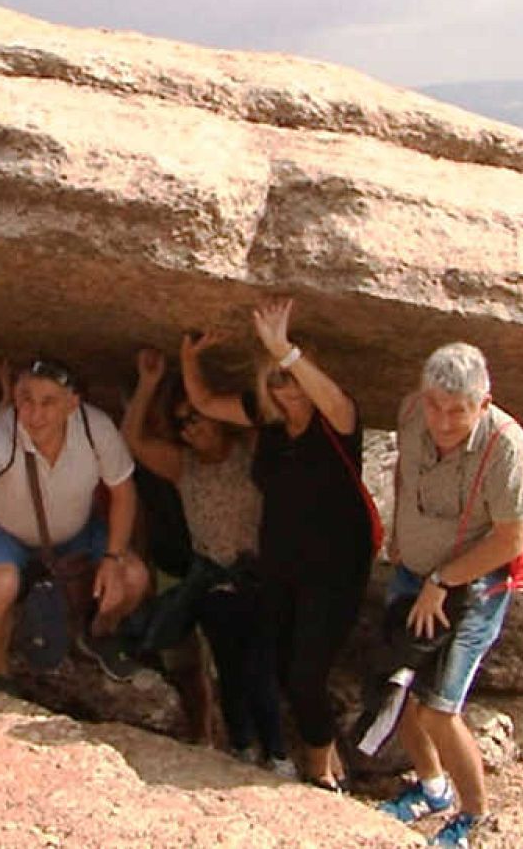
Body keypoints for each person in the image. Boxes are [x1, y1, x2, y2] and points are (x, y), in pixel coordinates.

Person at [180, 298, 374, 791]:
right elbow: (203, 403)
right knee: (287, 673)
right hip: (282, 570)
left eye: (288, 378)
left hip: (334, 573)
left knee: (306, 675)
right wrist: (188, 358)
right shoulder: (268, 427)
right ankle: (332, 765)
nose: (282, 389)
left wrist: (283, 350)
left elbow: (331, 399)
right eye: (273, 380)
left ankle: (320, 774)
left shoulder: (339, 422)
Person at [376, 343, 523, 848]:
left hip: (471, 588)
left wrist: (441, 583)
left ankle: (474, 814)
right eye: (434, 406)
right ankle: (431, 788)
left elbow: (511, 539)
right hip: (412, 575)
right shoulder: (411, 414)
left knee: (438, 708)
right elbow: (404, 468)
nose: (443, 422)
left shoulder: (505, 446)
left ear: (482, 404)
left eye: (457, 411)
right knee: (399, 692)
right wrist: (400, 532)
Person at [122, 347, 293, 777]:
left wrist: (198, 371)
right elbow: (134, 441)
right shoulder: (185, 467)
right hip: (214, 584)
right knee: (229, 671)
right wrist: (146, 385)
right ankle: (240, 746)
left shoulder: (250, 453)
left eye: (195, 416)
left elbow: (265, 416)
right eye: (182, 423)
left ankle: (277, 753)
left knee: (261, 671)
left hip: (259, 580)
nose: (189, 428)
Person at [0, 358, 150, 690]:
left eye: (48, 402)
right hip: (5, 529)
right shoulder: (0, 432)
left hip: (76, 530)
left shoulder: (95, 430)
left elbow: (124, 492)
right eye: (26, 399)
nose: (34, 414)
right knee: (0, 585)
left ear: (72, 404)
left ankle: (100, 633)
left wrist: (113, 557)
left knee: (133, 576)